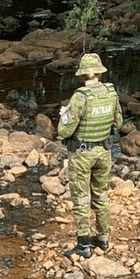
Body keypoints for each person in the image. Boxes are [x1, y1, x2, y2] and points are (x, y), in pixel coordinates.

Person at [55, 52, 121, 259]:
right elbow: (118, 123)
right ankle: (103, 238)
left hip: (82, 155)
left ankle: (83, 245)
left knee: (82, 199)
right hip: (104, 152)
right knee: (101, 196)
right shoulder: (111, 93)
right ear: (100, 73)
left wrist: (64, 114)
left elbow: (64, 131)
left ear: (82, 76)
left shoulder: (80, 97)